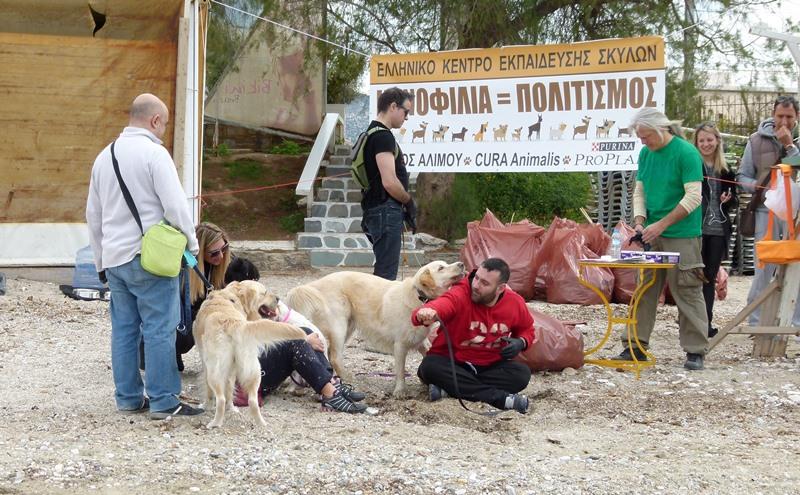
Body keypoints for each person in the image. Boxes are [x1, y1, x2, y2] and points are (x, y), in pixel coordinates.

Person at [86, 93, 203, 419]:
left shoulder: (104, 157)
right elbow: (176, 206)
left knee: (124, 330)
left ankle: (127, 398)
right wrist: (192, 245)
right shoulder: (155, 154)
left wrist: (100, 262)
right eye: (163, 124)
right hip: (150, 259)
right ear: (154, 120)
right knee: (159, 329)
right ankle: (164, 400)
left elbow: (93, 215)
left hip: (115, 260)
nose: (163, 131)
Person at [618, 108, 709, 370]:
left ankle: (695, 350)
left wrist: (662, 224)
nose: (642, 141)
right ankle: (635, 345)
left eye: (645, 136)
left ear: (661, 130)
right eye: (640, 137)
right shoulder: (646, 154)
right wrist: (639, 221)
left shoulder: (686, 153)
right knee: (644, 288)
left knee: (687, 289)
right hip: (652, 231)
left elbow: (693, 197)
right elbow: (640, 191)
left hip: (683, 233)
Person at [225, 268, 368, 414]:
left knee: (304, 331)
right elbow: (253, 347)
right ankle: (330, 395)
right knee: (297, 341)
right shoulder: (233, 318)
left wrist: (304, 336)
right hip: (247, 383)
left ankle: (331, 382)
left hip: (257, 371)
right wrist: (303, 339)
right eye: (263, 295)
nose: (274, 298)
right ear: (249, 300)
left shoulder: (239, 311)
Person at [412, 258, 534, 414]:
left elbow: (527, 329)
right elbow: (443, 304)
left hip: (489, 366)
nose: (476, 285)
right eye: (476, 278)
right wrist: (427, 312)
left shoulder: (514, 303)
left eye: (485, 283)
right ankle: (501, 399)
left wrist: (521, 342)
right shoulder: (461, 292)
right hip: (453, 363)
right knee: (429, 367)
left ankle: (450, 389)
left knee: (521, 374)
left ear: (500, 288)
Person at [736, 95, 800, 327]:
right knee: (764, 265)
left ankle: (794, 324)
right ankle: (757, 322)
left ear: (797, 117)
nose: (784, 121)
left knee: (796, 267)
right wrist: (758, 186)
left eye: (789, 116)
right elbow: (742, 175)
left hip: (795, 215)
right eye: (780, 116)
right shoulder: (755, 140)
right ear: (773, 115)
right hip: (766, 211)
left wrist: (789, 146)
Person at [360, 87, 417, 280]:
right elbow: (390, 182)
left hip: (376, 209)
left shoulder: (371, 133)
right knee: (385, 277)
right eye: (406, 111)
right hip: (385, 211)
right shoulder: (383, 136)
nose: (406, 117)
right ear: (393, 106)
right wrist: (409, 202)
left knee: (383, 273)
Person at [694, 123, 738, 338]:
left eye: (709, 140)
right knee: (693, 276)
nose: (706, 144)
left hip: (718, 230)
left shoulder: (726, 170)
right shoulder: (693, 166)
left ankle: (706, 322)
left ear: (718, 141)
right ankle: (691, 320)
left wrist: (727, 200)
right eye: (701, 140)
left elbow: (734, 201)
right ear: (696, 143)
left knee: (709, 277)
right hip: (695, 229)